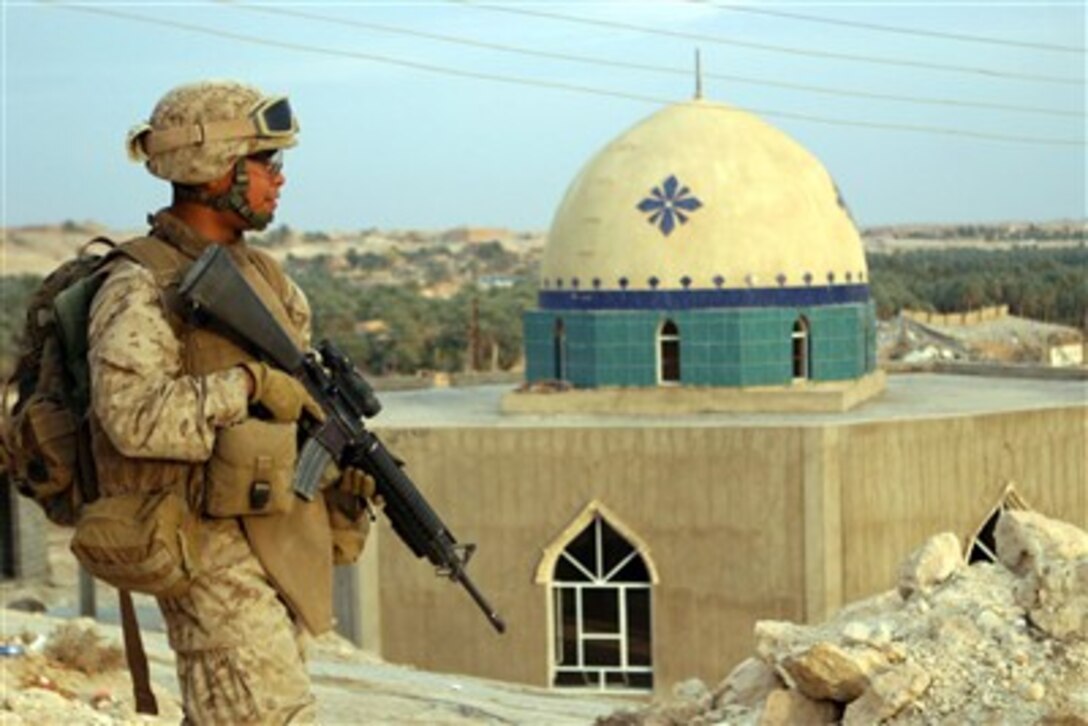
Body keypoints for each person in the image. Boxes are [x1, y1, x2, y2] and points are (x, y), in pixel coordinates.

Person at [89, 79, 372, 724]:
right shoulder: (140, 286)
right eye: (266, 163)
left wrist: (341, 475)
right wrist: (244, 386)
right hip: (200, 542)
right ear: (214, 169)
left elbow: (299, 407)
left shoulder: (268, 281)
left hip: (270, 536)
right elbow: (131, 417)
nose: (279, 179)